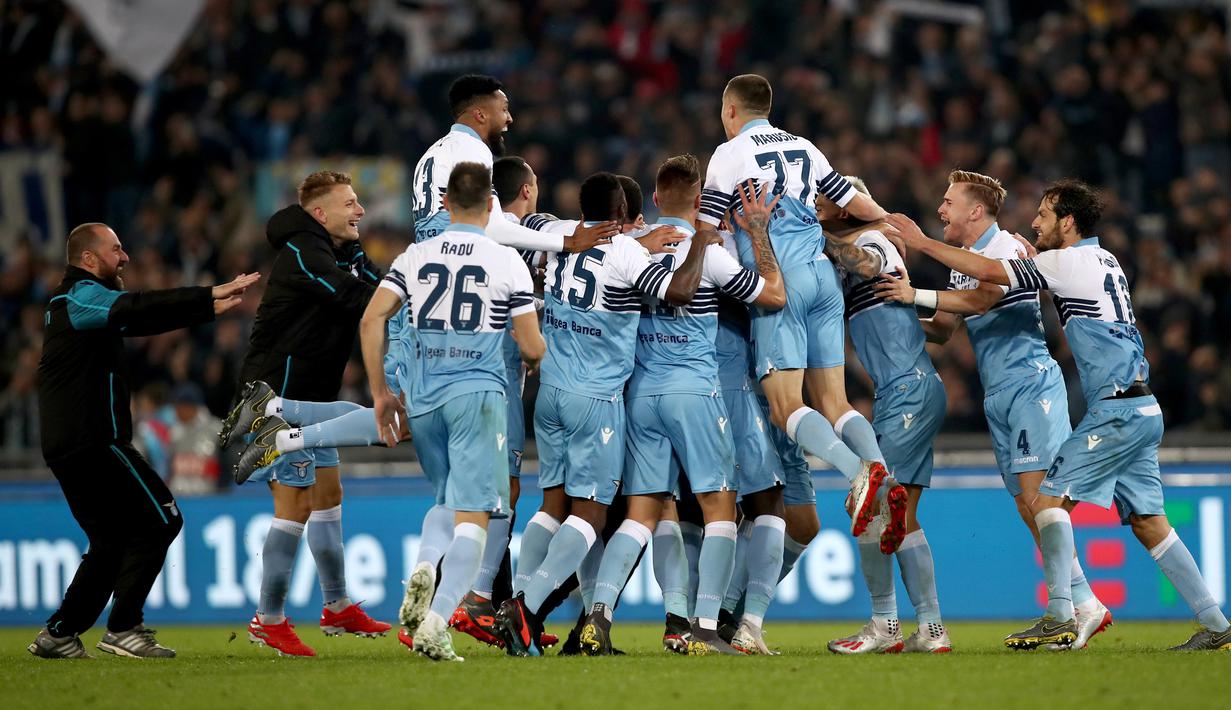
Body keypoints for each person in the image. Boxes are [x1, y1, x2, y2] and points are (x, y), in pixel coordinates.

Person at [887, 179, 1231, 651]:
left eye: (1044, 215)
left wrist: (920, 244)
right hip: (1140, 405)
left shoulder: (1063, 261)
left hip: (1113, 408)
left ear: (1067, 222)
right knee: (1149, 522)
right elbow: (966, 303)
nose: (1034, 223)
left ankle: (1061, 614)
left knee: (1047, 502)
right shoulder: (1103, 258)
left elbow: (990, 278)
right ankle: (1217, 625)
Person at [875, 170, 1110, 649]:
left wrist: (915, 281)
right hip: (998, 395)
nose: (941, 210)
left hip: (1031, 386)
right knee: (1029, 507)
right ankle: (1085, 603)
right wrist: (888, 313)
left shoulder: (1006, 249)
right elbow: (943, 328)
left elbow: (983, 299)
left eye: (948, 202)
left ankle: (1063, 611)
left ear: (974, 211)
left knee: (1039, 499)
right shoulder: (964, 265)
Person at [494, 172, 711, 657]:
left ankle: (521, 623)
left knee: (552, 505)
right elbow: (676, 293)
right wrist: (696, 246)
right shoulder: (625, 251)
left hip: (549, 393)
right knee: (591, 514)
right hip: (596, 399)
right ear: (619, 213)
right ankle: (525, 608)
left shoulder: (560, 238)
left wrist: (639, 238)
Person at [578, 157, 787, 656]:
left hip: (640, 395)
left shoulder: (631, 247)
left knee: (641, 514)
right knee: (720, 507)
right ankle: (705, 627)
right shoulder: (708, 251)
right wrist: (759, 237)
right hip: (694, 390)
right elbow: (773, 297)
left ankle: (598, 618)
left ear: (653, 196)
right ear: (699, 202)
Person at [29, 222, 258, 659]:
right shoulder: (78, 295)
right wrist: (208, 293)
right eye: (116, 249)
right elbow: (138, 307)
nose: (126, 257)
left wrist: (207, 309)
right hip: (94, 441)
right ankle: (124, 627)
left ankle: (60, 633)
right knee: (162, 519)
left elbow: (143, 316)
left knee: (111, 540)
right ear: (89, 259)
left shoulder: (79, 304)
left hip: (71, 443)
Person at [693, 74, 901, 543]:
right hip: (823, 276)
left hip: (777, 282)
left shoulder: (729, 155)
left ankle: (857, 475)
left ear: (730, 111)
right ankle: (883, 477)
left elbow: (705, 230)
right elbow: (858, 204)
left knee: (787, 406)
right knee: (836, 401)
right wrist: (890, 223)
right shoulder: (807, 147)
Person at [359, 161, 545, 661]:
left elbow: (372, 318)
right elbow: (530, 349)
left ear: (444, 204)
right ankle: (437, 622)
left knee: (445, 500)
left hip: (421, 401)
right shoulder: (507, 260)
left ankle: (423, 563)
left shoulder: (414, 255)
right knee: (475, 520)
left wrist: (380, 393)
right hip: (477, 399)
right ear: (492, 204)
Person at [222, 170, 391, 658]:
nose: (360, 211)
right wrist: (406, 302)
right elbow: (353, 297)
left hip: (316, 401)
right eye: (350, 204)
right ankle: (268, 618)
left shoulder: (347, 252)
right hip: (275, 396)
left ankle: (337, 605)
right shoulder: (302, 251)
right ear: (320, 214)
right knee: (294, 505)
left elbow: (376, 289)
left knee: (329, 495)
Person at [819, 178, 950, 654]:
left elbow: (869, 262)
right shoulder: (859, 240)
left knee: (867, 504)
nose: (814, 204)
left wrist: (820, 236)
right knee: (904, 517)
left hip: (906, 394)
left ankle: (884, 625)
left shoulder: (868, 241)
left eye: (823, 200)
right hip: (914, 389)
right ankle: (932, 630)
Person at [410, 74, 616, 253]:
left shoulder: (431, 154)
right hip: (454, 267)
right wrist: (568, 242)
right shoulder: (471, 148)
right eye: (504, 109)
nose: (509, 118)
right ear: (480, 114)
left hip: (428, 268)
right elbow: (494, 228)